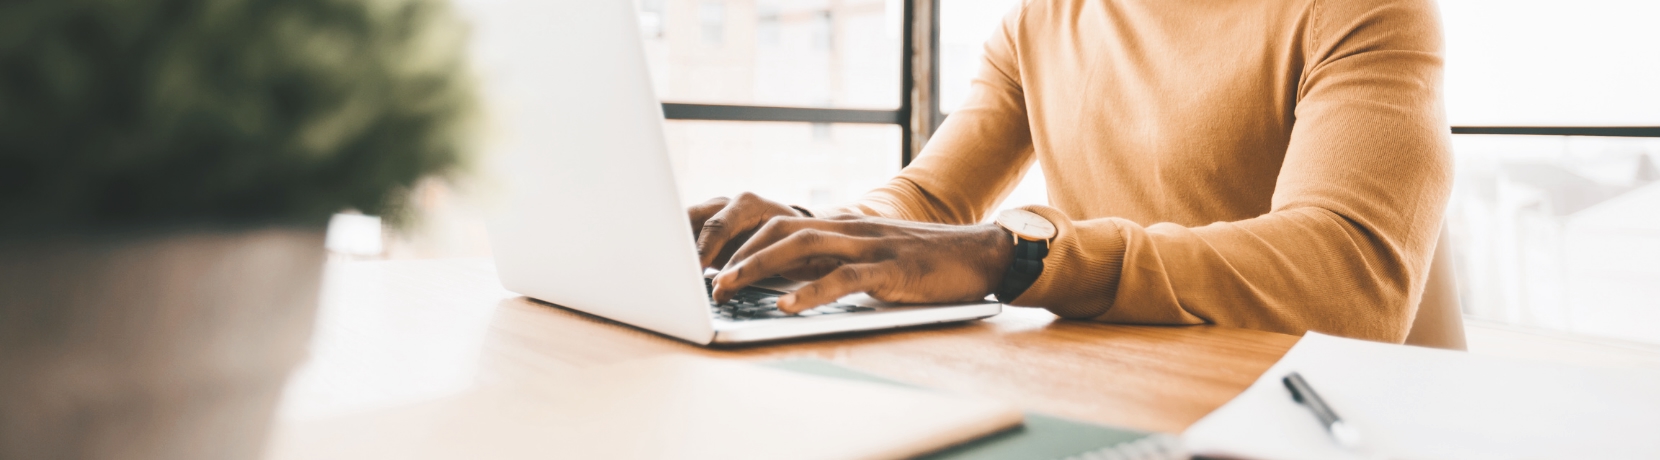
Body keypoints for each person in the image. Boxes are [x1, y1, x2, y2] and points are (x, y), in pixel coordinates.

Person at [689, 0, 1452, 343]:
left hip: (1320, 410)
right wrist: (820, 237)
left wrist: (1016, 255)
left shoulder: (1364, 7)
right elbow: (929, 198)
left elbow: (1347, 276)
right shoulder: (1039, 21)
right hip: (1135, 385)